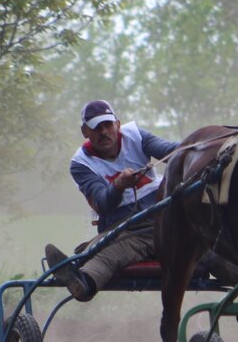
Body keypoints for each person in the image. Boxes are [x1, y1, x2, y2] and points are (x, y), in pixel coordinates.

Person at [44, 100, 178, 301]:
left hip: (161, 218)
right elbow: (103, 204)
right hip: (123, 228)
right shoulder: (80, 164)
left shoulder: (137, 136)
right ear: (85, 132)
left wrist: (203, 145)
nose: (104, 132)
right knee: (104, 250)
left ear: (118, 123)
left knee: (99, 250)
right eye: (96, 128)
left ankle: (81, 275)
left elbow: (173, 152)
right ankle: (81, 279)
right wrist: (118, 185)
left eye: (107, 125)